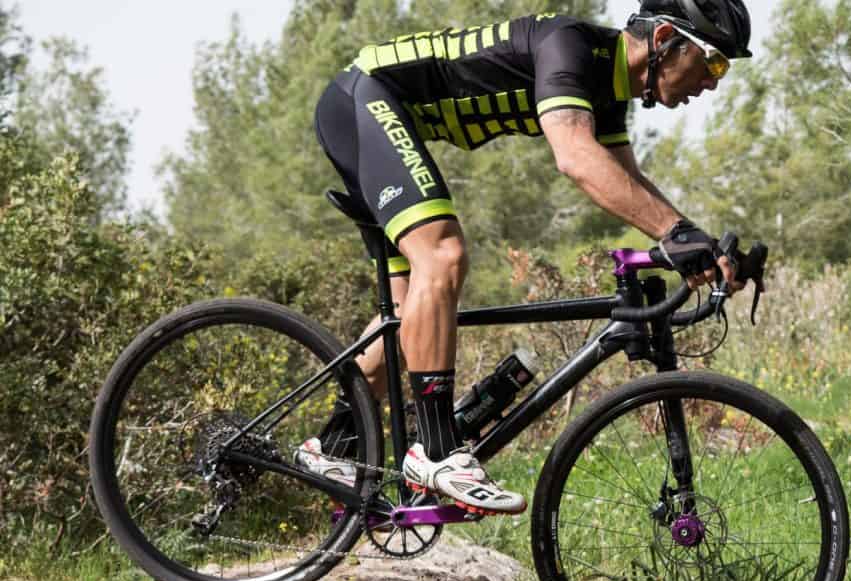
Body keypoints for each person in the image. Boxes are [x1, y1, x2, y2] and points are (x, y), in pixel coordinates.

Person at [299, 0, 752, 515]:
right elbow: (575, 157)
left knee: (413, 313)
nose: (712, 82)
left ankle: (333, 446)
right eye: (714, 62)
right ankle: (437, 451)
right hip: (365, 95)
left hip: (375, 111)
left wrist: (701, 245)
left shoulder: (607, 90)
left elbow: (627, 184)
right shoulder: (570, 46)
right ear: (666, 39)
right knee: (442, 255)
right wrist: (675, 232)